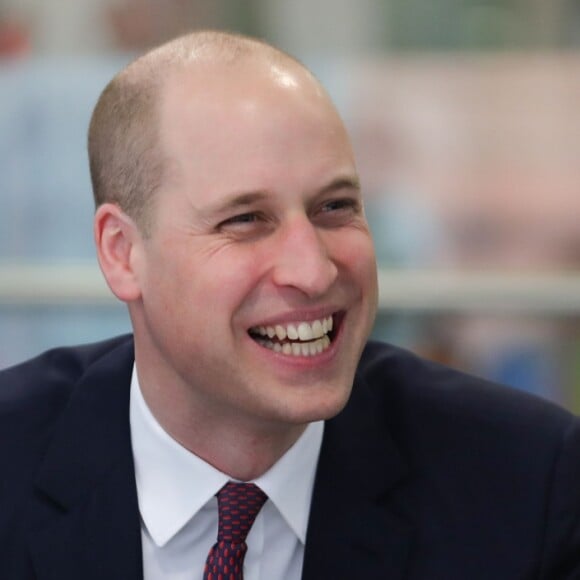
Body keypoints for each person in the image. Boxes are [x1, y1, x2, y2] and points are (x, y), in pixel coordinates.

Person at [1, 30, 580, 580]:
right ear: (123, 253)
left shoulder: (526, 484)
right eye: (247, 220)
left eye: (334, 207)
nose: (314, 270)